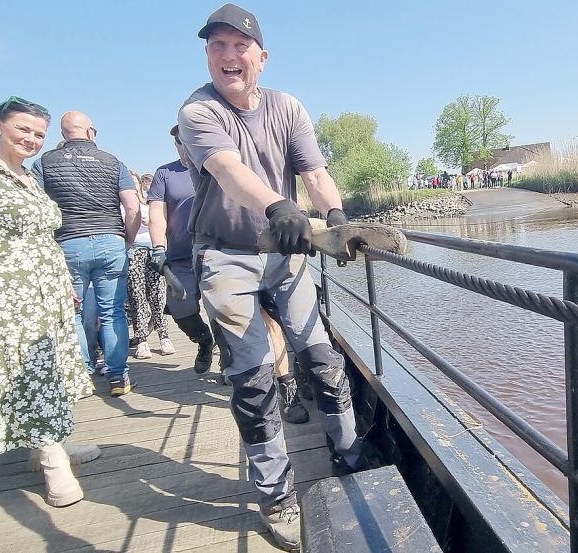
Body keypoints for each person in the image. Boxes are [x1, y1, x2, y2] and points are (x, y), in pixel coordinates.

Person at [178, 4, 367, 548]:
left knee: (321, 356)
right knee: (254, 377)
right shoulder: (198, 111)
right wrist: (280, 208)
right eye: (217, 46)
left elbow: (316, 173)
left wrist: (334, 219)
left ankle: (351, 454)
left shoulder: (287, 107)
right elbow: (230, 174)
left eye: (240, 46)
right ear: (207, 55)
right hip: (226, 255)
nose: (228, 56)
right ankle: (275, 497)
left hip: (288, 255)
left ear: (261, 56)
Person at [0, 96, 99, 507]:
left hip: (48, 286)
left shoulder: (28, 177)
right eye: (23, 130)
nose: (31, 139)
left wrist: (63, 281)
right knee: (30, 370)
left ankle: (47, 445)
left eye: (38, 134)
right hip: (11, 292)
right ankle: (53, 463)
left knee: (56, 367)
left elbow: (44, 236)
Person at [147, 126, 308, 423]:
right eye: (180, 140)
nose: (186, 144)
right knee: (185, 310)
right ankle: (204, 342)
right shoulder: (166, 175)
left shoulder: (226, 164)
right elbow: (157, 212)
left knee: (262, 319)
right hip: (184, 255)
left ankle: (285, 385)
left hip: (232, 253)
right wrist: (158, 248)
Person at [33, 111, 141, 397]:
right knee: (112, 312)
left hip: (68, 244)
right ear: (91, 132)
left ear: (63, 134)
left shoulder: (45, 163)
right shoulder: (112, 161)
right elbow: (132, 207)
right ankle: (119, 377)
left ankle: (82, 374)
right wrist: (126, 239)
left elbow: (36, 209)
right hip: (110, 241)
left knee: (73, 313)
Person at [126, 171, 173, 359]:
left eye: (134, 182)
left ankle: (164, 336)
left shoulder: (150, 204)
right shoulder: (122, 206)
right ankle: (142, 340)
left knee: (157, 295)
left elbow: (164, 223)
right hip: (133, 251)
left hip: (153, 250)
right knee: (136, 297)